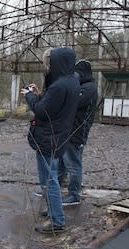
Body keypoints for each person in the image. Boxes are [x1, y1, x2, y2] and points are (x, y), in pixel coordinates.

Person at [20, 47, 80, 234]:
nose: (48, 65)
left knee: (49, 180)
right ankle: (55, 212)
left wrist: (29, 96)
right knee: (52, 176)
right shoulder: (71, 82)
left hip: (49, 137)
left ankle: (57, 220)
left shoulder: (59, 86)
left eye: (50, 62)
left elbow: (41, 111)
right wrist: (40, 94)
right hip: (59, 135)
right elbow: (52, 106)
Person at [59, 59, 98, 206]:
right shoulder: (83, 86)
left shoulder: (89, 88)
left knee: (73, 165)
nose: (75, 76)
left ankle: (74, 195)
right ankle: (59, 188)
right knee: (63, 163)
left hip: (77, 132)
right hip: (69, 131)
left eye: (77, 73)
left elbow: (72, 103)